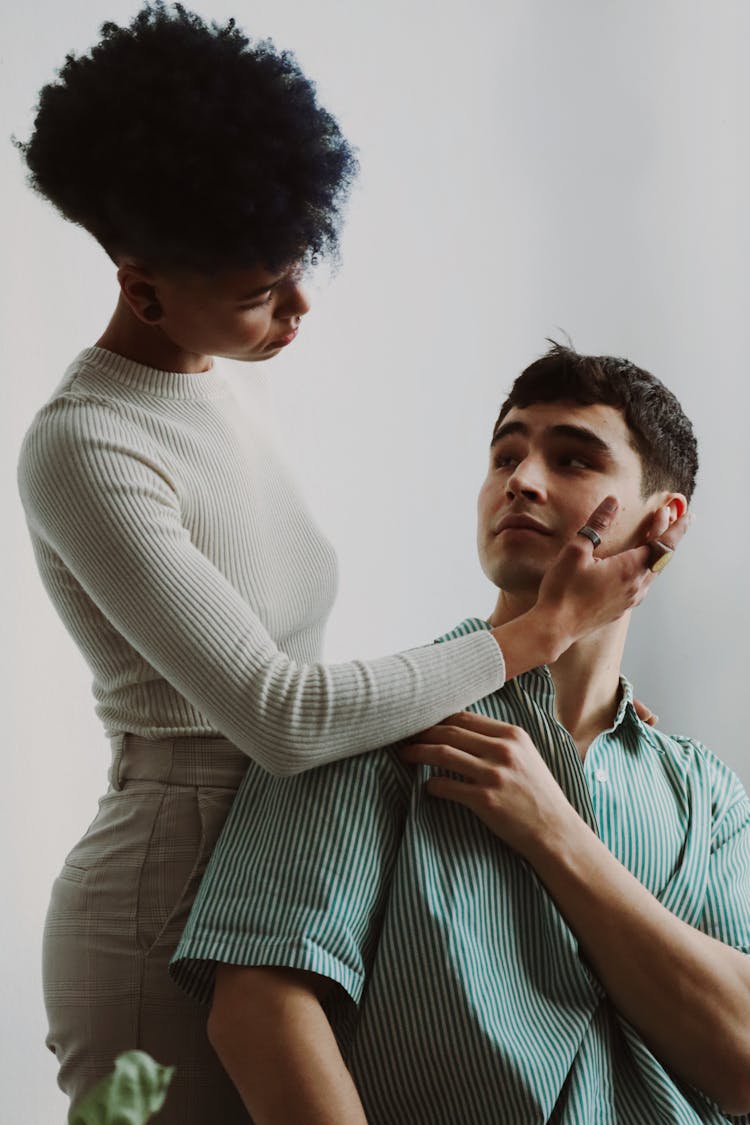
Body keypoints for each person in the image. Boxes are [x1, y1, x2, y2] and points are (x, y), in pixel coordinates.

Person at [15, 6, 675, 1121]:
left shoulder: (226, 384)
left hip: (282, 875)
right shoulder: (85, 444)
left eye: (298, 266)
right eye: (262, 290)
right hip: (159, 903)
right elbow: (281, 715)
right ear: (142, 288)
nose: (299, 306)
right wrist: (537, 631)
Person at [170, 343, 750, 1125]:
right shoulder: (371, 718)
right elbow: (260, 1011)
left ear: (662, 521)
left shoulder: (707, 794)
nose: (523, 479)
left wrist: (555, 833)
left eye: (574, 459)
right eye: (506, 454)